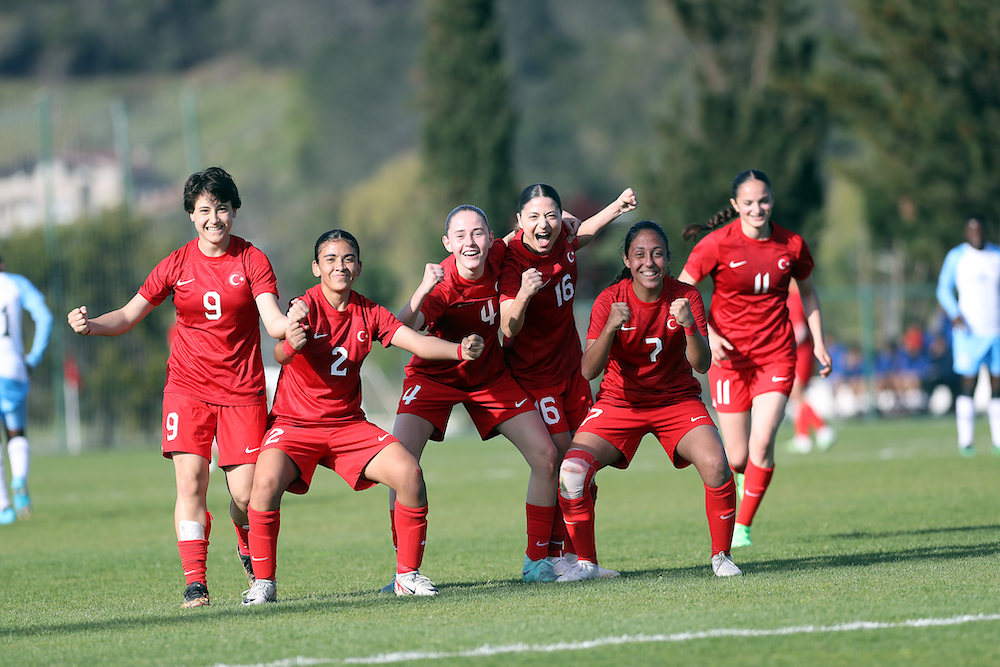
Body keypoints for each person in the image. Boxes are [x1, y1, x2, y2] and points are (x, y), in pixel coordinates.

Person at [67, 167, 292, 608]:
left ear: (234, 211)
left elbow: (272, 319)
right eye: (204, 210)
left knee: (246, 494)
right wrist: (92, 325)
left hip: (242, 393)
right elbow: (129, 315)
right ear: (191, 215)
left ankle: (246, 545)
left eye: (222, 208)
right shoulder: (176, 263)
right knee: (190, 482)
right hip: (187, 390)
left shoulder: (252, 260)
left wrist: (292, 324)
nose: (214, 218)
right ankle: (196, 581)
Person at [241, 230, 484, 604]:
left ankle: (407, 575)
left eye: (348, 258)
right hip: (294, 425)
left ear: (358, 266)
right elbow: (280, 354)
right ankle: (264, 583)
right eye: (331, 259)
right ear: (316, 267)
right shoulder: (303, 305)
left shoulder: (369, 311)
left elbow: (416, 342)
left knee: (409, 474)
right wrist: (292, 341)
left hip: (348, 426)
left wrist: (459, 350)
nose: (340, 265)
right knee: (265, 482)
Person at [385, 205, 566, 585]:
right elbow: (401, 330)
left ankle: (536, 563)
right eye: (462, 235)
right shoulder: (443, 286)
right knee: (399, 467)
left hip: (488, 377)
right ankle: (406, 572)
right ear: (448, 243)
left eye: (479, 232)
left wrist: (567, 220)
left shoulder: (501, 252)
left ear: (490, 237)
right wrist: (422, 289)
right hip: (433, 377)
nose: (472, 242)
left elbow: (532, 231)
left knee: (547, 456)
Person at [556, 220, 741, 581]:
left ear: (669, 258)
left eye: (657, 254)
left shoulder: (686, 296)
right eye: (639, 254)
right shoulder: (610, 300)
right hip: (619, 404)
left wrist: (689, 326)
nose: (649, 262)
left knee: (718, 465)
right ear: (626, 259)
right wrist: (610, 326)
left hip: (677, 402)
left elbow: (702, 364)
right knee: (572, 472)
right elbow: (588, 370)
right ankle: (586, 565)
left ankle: (722, 557)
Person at [678, 169, 831, 548]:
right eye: (748, 203)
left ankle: (743, 526)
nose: (757, 208)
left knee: (763, 443)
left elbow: (808, 294)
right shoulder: (716, 245)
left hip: (776, 355)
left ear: (772, 200)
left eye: (763, 201)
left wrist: (820, 342)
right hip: (729, 361)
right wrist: (708, 335)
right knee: (738, 457)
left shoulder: (791, 244)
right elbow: (681, 292)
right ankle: (743, 478)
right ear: (735, 206)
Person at [499, 184, 636, 575]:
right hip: (535, 380)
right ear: (519, 222)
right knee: (563, 463)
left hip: (572, 373)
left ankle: (576, 557)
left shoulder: (563, 238)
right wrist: (524, 294)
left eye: (551, 215)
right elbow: (508, 327)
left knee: (583, 468)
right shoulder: (512, 261)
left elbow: (583, 234)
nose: (544, 224)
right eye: (534, 217)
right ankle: (549, 558)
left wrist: (616, 207)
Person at [935, 215, 1000, 456]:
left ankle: (998, 440)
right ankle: (966, 442)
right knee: (968, 385)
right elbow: (943, 288)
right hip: (968, 333)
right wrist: (955, 313)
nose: (976, 234)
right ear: (966, 232)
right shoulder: (957, 257)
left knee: (997, 386)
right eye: (972, 230)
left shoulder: (996, 256)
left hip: (995, 331)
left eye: (980, 229)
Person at [0, 256, 53, 525]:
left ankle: (4, 507)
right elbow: (44, 317)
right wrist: (33, 357)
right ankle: (19, 481)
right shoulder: (16, 284)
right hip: (12, 369)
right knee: (16, 432)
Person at [785, 280, 836, 453]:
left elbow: (800, 330)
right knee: (795, 395)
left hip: (800, 353)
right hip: (798, 353)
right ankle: (802, 437)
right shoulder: (790, 297)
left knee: (795, 393)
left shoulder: (796, 298)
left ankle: (822, 429)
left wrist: (783, 343)